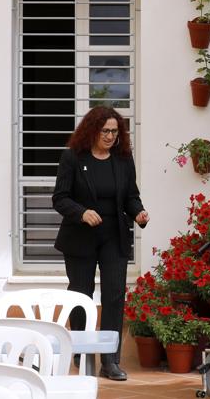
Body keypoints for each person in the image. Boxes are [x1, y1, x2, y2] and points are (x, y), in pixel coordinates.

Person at [52, 106, 149, 382]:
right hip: (80, 237)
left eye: (115, 132)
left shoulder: (123, 159)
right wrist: (81, 212)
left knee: (115, 296)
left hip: (113, 237)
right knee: (81, 295)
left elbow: (131, 196)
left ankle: (110, 360)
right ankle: (81, 354)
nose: (110, 136)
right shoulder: (72, 157)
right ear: (92, 130)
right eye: (105, 131)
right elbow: (59, 198)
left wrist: (139, 212)